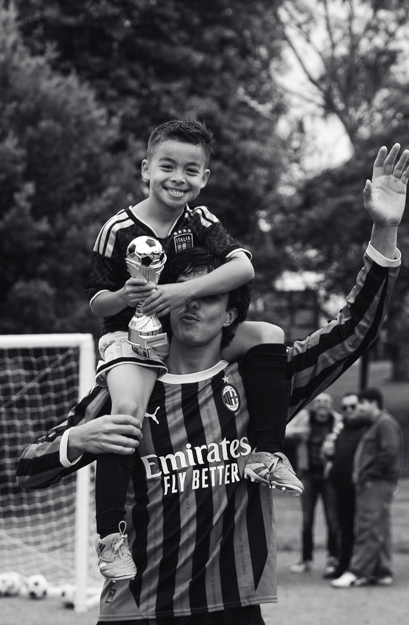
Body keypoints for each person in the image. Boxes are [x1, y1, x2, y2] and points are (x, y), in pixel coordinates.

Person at [17, 143, 409, 623]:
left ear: (230, 313)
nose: (190, 303)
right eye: (180, 292)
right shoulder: (127, 389)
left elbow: (353, 332)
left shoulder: (260, 385)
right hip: (140, 612)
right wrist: (77, 441)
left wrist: (384, 230)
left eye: (207, 295)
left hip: (234, 607)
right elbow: (29, 467)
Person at [87, 119, 302, 581]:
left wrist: (181, 293)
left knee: (268, 335)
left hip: (185, 328)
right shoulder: (117, 228)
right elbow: (96, 302)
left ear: (204, 177)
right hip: (131, 337)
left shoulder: (200, 221)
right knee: (125, 414)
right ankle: (110, 538)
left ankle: (265, 454)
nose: (177, 178)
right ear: (146, 169)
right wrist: (125, 296)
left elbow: (243, 268)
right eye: (167, 166)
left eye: (190, 170)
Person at [331, 387, 403, 588]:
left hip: (376, 482)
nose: (359, 408)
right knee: (379, 528)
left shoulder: (384, 423)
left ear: (373, 403)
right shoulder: (377, 423)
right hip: (376, 482)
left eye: (361, 403)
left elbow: (389, 452)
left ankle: (358, 571)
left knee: (367, 526)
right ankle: (381, 571)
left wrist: (367, 474)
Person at [285, 392, 341, 578]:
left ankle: (333, 558)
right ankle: (306, 560)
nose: (322, 404)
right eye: (318, 401)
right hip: (307, 475)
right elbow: (282, 430)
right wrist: (297, 433)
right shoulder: (303, 417)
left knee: (332, 519)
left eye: (326, 401)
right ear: (313, 404)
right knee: (307, 520)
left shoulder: (338, 421)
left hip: (329, 476)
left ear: (331, 405)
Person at [321, 391, 365, 578]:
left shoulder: (368, 428)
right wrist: (328, 452)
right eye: (344, 407)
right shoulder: (340, 428)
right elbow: (330, 455)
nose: (348, 410)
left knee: (361, 527)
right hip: (340, 486)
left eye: (352, 406)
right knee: (343, 527)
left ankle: (361, 566)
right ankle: (344, 564)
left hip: (360, 487)